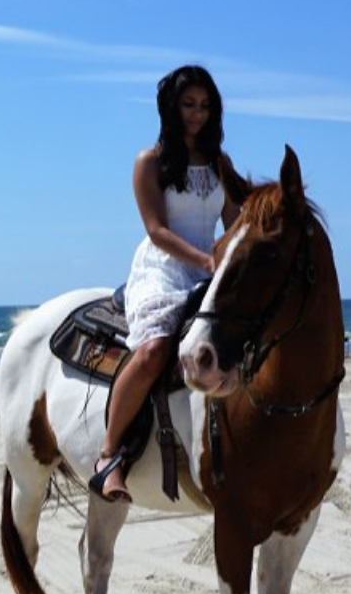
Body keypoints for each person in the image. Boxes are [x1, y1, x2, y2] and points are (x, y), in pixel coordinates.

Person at [90, 65, 243, 503]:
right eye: (188, 104)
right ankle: (108, 457)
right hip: (164, 266)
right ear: (171, 107)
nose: (197, 114)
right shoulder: (150, 162)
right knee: (156, 349)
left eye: (205, 105)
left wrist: (235, 257)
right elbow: (157, 229)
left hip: (213, 263)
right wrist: (207, 259)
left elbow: (233, 222)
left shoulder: (221, 164)